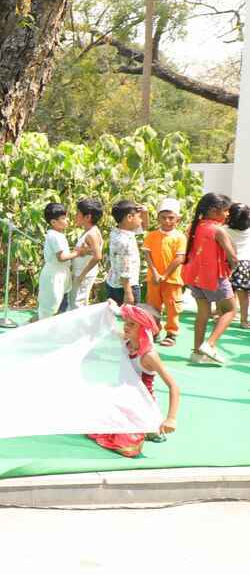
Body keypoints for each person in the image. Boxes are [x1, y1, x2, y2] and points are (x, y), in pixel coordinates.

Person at [88, 304, 180, 457]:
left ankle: (150, 427)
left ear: (144, 329)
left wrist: (171, 418)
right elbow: (109, 328)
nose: (126, 326)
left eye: (132, 324)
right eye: (126, 322)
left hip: (141, 405)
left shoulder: (149, 356)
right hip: (123, 399)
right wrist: (111, 309)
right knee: (92, 421)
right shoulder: (127, 342)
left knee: (127, 448)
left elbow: (173, 386)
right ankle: (147, 429)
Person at [183, 193, 238, 365]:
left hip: (194, 276)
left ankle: (197, 351)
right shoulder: (218, 230)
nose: (227, 214)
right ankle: (210, 344)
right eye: (226, 210)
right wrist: (233, 268)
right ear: (214, 211)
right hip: (213, 276)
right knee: (230, 310)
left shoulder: (195, 226)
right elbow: (233, 257)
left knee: (203, 312)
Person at [142, 198, 186, 346]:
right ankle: (154, 331)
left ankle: (171, 334)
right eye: (163, 217)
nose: (167, 221)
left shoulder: (180, 237)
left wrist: (165, 275)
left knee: (172, 308)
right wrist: (155, 273)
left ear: (177, 219)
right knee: (153, 307)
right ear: (158, 218)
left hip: (172, 280)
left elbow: (179, 258)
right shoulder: (152, 235)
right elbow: (147, 254)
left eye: (171, 218)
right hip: (153, 279)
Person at [38, 203, 87, 321]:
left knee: (60, 303)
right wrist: (78, 253)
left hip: (61, 273)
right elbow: (61, 257)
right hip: (54, 274)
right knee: (50, 305)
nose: (67, 220)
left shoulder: (58, 235)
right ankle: (36, 327)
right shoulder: (54, 236)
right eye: (63, 218)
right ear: (53, 222)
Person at [105, 199, 148, 306]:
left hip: (115, 283)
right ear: (129, 218)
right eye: (139, 217)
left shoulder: (119, 231)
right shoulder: (123, 241)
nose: (140, 220)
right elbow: (124, 269)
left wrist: (145, 213)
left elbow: (144, 227)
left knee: (117, 313)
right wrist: (128, 293)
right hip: (126, 286)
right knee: (130, 315)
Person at [69, 198, 104, 309]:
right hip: (80, 273)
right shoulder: (89, 232)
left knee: (78, 304)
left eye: (78, 213)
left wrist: (82, 275)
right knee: (76, 302)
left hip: (83, 274)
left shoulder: (91, 234)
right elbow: (92, 250)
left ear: (88, 217)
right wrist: (84, 251)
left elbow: (98, 256)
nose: (75, 216)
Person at [224, 202, 250, 329]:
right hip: (245, 264)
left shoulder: (224, 229)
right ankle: (244, 320)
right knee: (244, 294)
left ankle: (223, 315)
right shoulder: (248, 230)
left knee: (227, 291)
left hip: (228, 262)